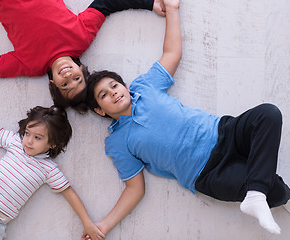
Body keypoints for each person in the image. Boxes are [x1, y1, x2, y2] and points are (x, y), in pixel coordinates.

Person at [85, 0, 290, 236]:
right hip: (207, 174)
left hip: (224, 133)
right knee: (274, 189)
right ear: (100, 110)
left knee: (269, 113)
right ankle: (266, 192)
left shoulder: (144, 87)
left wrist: (172, 9)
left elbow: (172, 53)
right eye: (104, 95)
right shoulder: (116, 143)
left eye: (114, 85)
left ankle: (255, 193)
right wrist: (104, 225)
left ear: (124, 85)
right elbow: (134, 188)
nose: (113, 92)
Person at [0, 0, 166, 128]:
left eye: (65, 84)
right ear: (81, 69)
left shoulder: (30, 65)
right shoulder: (81, 38)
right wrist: (150, 3)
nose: (68, 75)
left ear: (53, 82)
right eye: (77, 78)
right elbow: (106, 3)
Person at [0, 106, 105, 240]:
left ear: (52, 143)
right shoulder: (15, 142)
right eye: (27, 133)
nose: (29, 141)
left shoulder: (49, 169)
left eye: (38, 138)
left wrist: (87, 223)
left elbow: (70, 194)